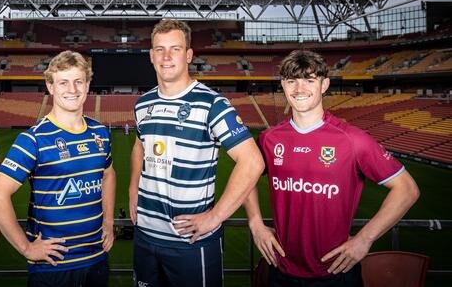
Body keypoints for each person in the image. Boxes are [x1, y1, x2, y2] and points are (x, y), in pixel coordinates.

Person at [243, 49, 420, 286]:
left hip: (337, 272)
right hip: (281, 269)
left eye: (309, 80)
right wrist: (255, 223)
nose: (299, 89)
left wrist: (364, 239)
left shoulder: (353, 139)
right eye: (291, 81)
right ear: (283, 86)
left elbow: (407, 189)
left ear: (324, 85)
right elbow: (245, 177)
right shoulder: (269, 139)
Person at [130, 19, 265, 287]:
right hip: (145, 236)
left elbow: (252, 162)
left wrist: (215, 217)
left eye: (175, 49)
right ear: (151, 56)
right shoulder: (143, 104)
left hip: (190, 242)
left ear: (189, 55)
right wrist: (133, 186)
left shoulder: (213, 104)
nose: (166, 57)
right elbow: (139, 145)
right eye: (159, 49)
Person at [0, 50, 116, 287]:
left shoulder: (100, 133)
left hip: (96, 258)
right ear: (50, 86)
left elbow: (108, 174)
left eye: (78, 81)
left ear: (87, 85)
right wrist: (26, 248)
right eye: (63, 82)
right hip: (53, 266)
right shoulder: (33, 140)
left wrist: (107, 222)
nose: (72, 89)